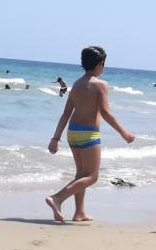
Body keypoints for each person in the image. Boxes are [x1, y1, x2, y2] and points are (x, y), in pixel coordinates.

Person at [44, 45, 135, 223]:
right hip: (89, 134)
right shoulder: (100, 85)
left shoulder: (76, 85)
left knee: (81, 174)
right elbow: (106, 112)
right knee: (92, 176)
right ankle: (57, 198)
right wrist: (124, 133)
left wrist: (55, 138)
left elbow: (66, 114)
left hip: (73, 133)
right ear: (100, 64)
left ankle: (79, 212)